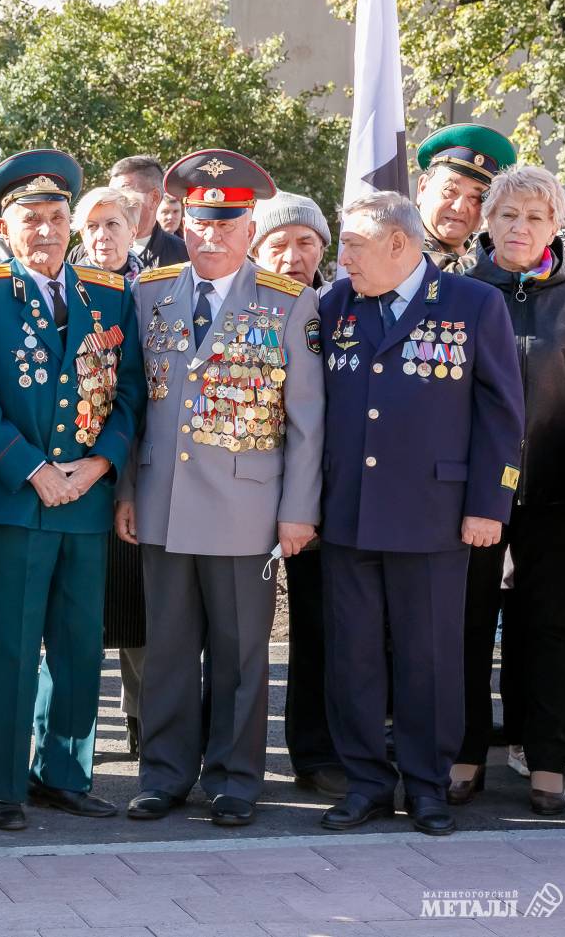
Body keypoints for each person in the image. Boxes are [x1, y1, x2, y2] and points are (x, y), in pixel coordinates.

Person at [116, 149, 323, 828]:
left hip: (246, 508)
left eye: (226, 223)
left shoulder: (292, 302)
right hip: (164, 504)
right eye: (201, 223)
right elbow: (132, 409)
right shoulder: (152, 292)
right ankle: (166, 774)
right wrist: (126, 494)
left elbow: (307, 423)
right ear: (185, 222)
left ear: (249, 225)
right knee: (169, 650)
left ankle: (235, 778)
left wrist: (297, 512)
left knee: (240, 655)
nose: (210, 235)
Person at [0, 149, 143, 831]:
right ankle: (3, 784)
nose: (45, 231)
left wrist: (97, 467)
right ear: (4, 226)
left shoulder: (110, 293)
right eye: (30, 219)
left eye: (56, 217)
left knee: (78, 644)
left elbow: (130, 394)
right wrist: (33, 469)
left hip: (86, 498)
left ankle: (65, 771)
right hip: (16, 499)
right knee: (9, 643)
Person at [319, 192, 523, 836]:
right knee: (351, 656)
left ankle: (428, 786)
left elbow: (502, 414)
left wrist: (490, 503)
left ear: (398, 245)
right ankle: (366, 784)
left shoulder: (474, 304)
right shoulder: (336, 304)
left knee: (428, 657)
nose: (341, 256)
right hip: (348, 511)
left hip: (434, 513)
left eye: (353, 244)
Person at [453, 166, 565, 816]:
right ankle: (466, 750)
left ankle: (548, 756)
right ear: (488, 222)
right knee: (469, 623)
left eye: (534, 216)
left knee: (550, 626)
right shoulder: (461, 293)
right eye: (508, 215)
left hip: (558, 496)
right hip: (475, 493)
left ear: (554, 226)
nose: (520, 228)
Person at [247, 191, 346, 801]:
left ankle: (315, 751)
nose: (292, 255)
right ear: (256, 249)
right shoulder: (239, 306)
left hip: (322, 499)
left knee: (318, 627)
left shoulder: (341, 306)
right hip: (241, 491)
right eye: (278, 244)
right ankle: (225, 754)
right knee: (232, 637)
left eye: (305, 242)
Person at [71, 185, 145, 753]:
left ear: (134, 226)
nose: (103, 236)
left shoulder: (156, 290)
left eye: (114, 224)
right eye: (92, 226)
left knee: (136, 606)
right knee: (77, 618)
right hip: (68, 476)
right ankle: (73, 733)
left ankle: (143, 720)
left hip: (133, 470)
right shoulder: (59, 288)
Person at [414, 123, 516, 273]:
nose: (459, 207)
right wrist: (488, 241)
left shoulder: (475, 247)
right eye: (449, 191)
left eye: (475, 197)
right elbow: (447, 284)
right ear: (422, 187)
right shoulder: (401, 242)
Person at [108, 155, 189, 270]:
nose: (111, 201)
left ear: (154, 198)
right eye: (110, 194)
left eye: (123, 194)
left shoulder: (183, 256)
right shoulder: (90, 251)